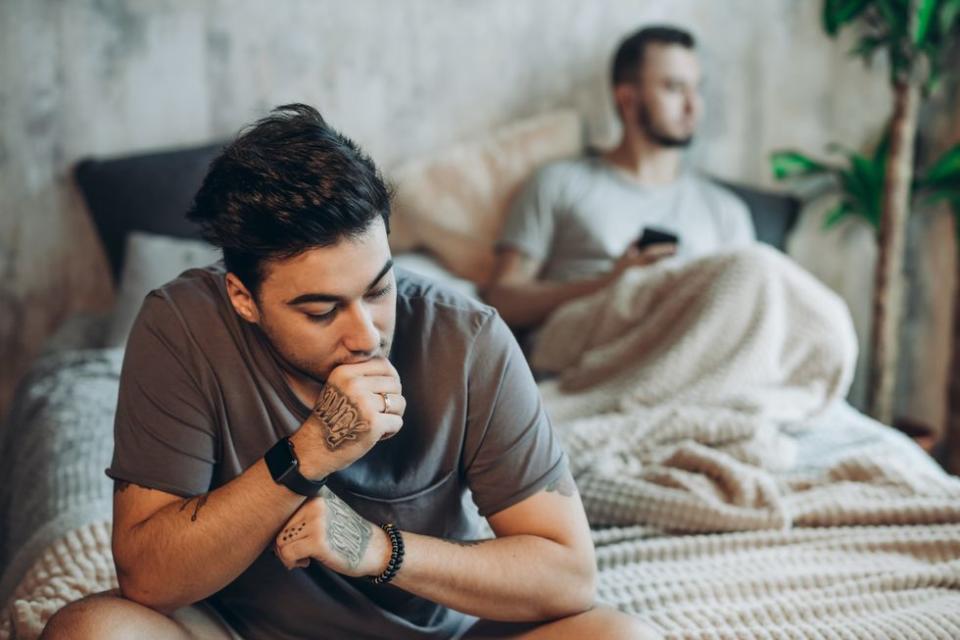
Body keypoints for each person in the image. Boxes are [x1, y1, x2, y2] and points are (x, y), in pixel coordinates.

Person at [40, 104, 657, 639]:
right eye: (320, 308)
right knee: (88, 631)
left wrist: (379, 551)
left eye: (379, 289)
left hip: (439, 635)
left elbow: (569, 575)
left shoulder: (469, 339)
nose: (366, 334)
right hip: (240, 633)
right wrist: (308, 454)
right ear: (243, 297)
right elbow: (148, 578)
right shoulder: (180, 326)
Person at [485, 26, 755, 332]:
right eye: (674, 88)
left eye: (697, 89)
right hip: (595, 338)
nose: (693, 105)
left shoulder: (726, 210)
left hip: (695, 341)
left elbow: (745, 314)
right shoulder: (559, 183)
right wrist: (611, 283)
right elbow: (502, 300)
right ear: (627, 99)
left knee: (760, 268)